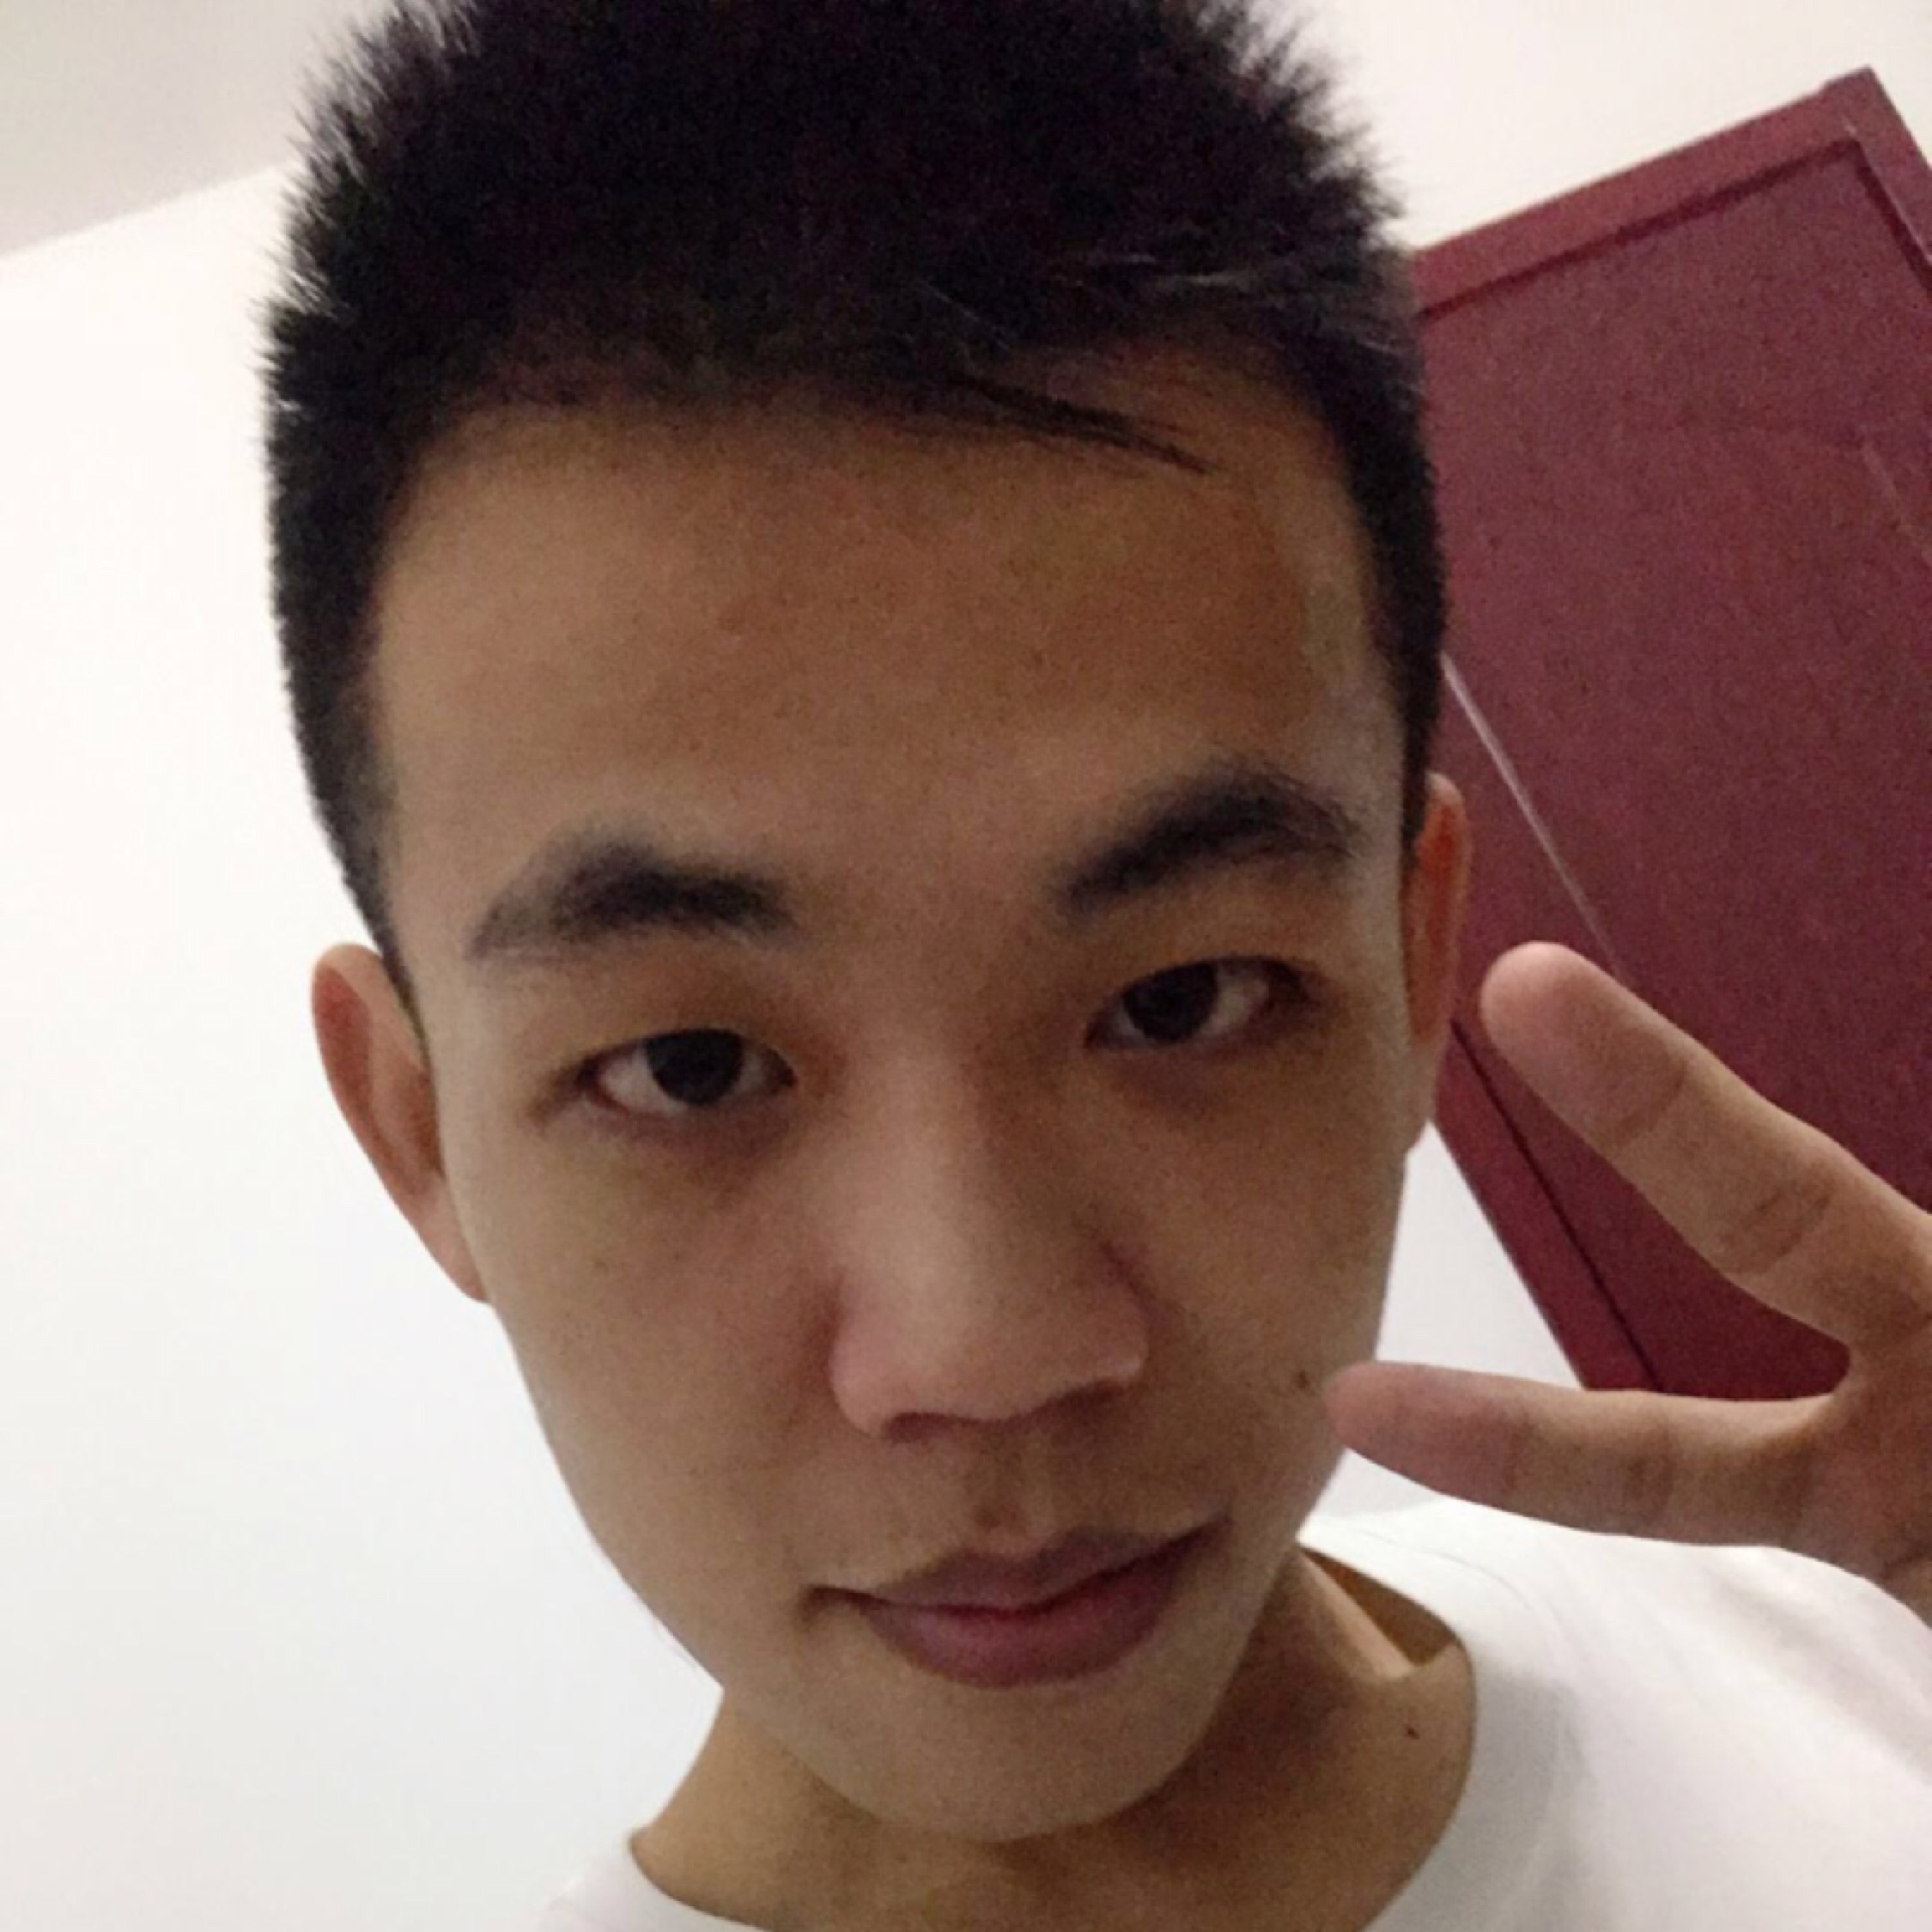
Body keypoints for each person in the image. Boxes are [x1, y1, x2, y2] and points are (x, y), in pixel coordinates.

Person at [260, 3, 1932, 1927]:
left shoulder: (1856, 1664)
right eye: (691, 1066)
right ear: (419, 1131)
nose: (986, 1354)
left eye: (1179, 1000)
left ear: (1410, 970)